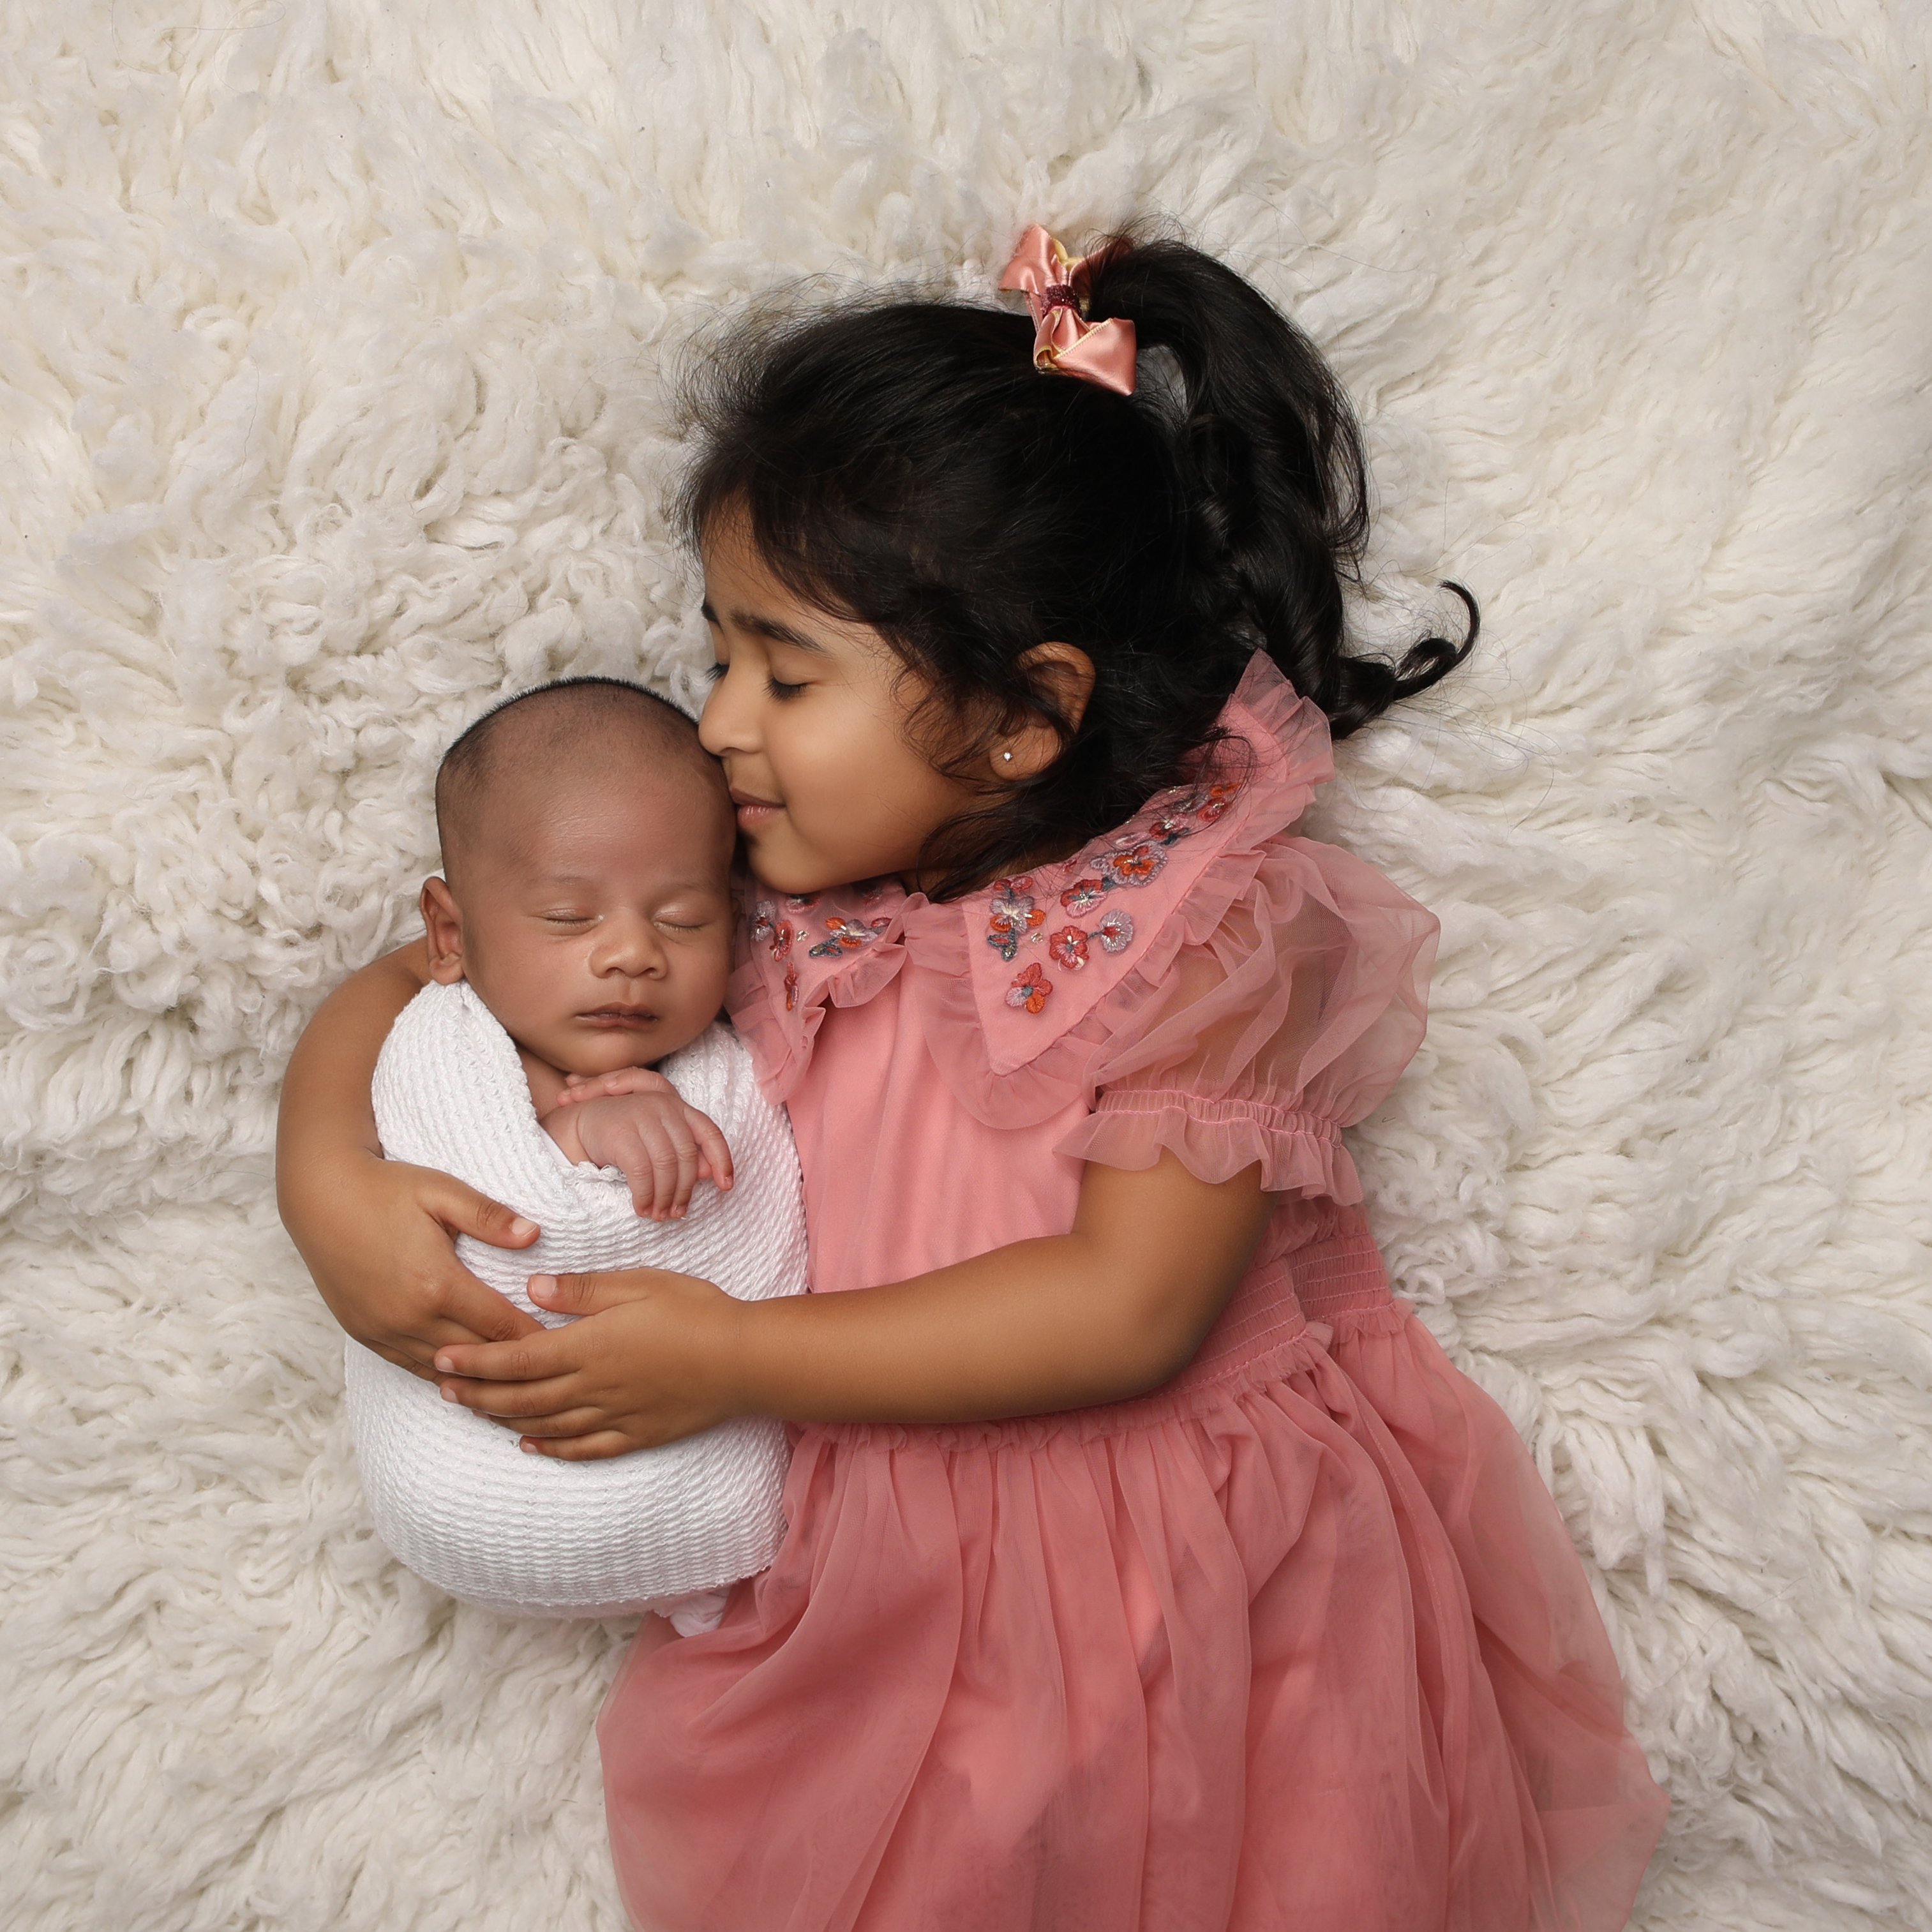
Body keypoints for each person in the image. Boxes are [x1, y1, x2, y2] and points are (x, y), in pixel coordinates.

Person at [276, 225, 1670, 1929]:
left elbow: (1127, 1309)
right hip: (871, 1585)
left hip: (1191, 1584)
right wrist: (327, 1180)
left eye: (783, 671)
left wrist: (731, 1351)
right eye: (721, 654)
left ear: (1022, 718)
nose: (716, 722)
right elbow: (442, 960)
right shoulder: (756, 905)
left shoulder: (1198, 931)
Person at [340, 678, 807, 1633]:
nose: (632, 953)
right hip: (478, 1499)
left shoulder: (729, 1054)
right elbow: (506, 1213)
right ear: (450, 934)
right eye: (568, 917)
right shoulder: (447, 1052)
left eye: (683, 918)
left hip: (734, 1496)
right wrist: (581, 1134)